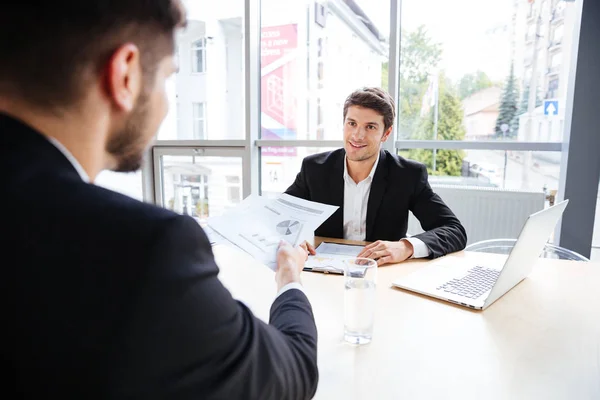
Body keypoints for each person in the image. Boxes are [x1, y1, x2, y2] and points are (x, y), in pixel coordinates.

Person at [1, 1, 318, 399]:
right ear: (126, 74)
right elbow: (293, 373)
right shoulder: (143, 248)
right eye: (168, 78)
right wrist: (290, 280)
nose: (166, 104)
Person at [286, 87, 467, 265]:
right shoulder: (315, 169)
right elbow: (274, 220)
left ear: (386, 133)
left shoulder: (408, 175)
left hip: (381, 274)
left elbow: (454, 231)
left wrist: (406, 247)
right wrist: (293, 239)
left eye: (370, 127)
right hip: (324, 272)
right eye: (352, 123)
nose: (357, 135)